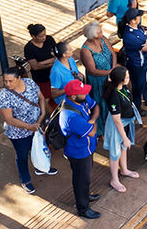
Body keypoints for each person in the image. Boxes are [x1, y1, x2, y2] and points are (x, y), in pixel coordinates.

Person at [0, 67, 52, 194]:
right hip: (19, 133)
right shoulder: (4, 96)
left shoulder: (30, 83)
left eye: (11, 81)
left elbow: (41, 98)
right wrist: (28, 127)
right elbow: (9, 119)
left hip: (36, 126)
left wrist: (42, 114)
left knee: (40, 147)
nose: (8, 84)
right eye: (5, 81)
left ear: (19, 78)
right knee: (22, 155)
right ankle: (25, 180)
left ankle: (42, 166)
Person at [58, 79, 100, 219]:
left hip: (87, 148)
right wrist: (94, 122)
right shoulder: (70, 116)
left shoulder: (79, 98)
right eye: (83, 92)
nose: (86, 94)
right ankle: (83, 208)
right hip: (79, 153)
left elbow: (96, 107)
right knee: (81, 180)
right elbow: (92, 132)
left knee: (86, 178)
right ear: (73, 96)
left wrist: (91, 121)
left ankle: (86, 195)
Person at [102, 66, 140, 193]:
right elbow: (116, 120)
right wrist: (124, 137)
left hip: (126, 123)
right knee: (115, 153)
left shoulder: (123, 88)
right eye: (127, 77)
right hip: (117, 126)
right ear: (120, 79)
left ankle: (124, 170)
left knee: (124, 148)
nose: (129, 78)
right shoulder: (114, 95)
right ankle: (114, 179)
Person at [79, 22, 116, 137]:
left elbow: (113, 53)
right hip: (98, 81)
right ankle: (102, 129)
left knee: (113, 100)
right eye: (99, 32)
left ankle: (113, 123)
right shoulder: (85, 50)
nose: (102, 33)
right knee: (101, 102)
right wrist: (110, 73)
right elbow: (92, 70)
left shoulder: (103, 39)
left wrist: (113, 69)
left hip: (111, 76)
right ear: (93, 35)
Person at [119, 8, 147, 113]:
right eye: (138, 16)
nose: (140, 17)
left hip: (145, 61)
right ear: (133, 20)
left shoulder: (139, 28)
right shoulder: (129, 36)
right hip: (137, 65)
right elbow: (145, 46)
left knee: (146, 83)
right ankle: (137, 108)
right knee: (138, 87)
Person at [23, 24, 57, 108]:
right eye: (41, 36)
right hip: (42, 78)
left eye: (44, 35)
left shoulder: (49, 39)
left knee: (56, 95)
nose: (44, 38)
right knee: (43, 98)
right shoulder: (28, 48)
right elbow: (35, 67)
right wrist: (51, 62)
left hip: (54, 74)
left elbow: (57, 55)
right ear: (33, 36)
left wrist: (41, 63)